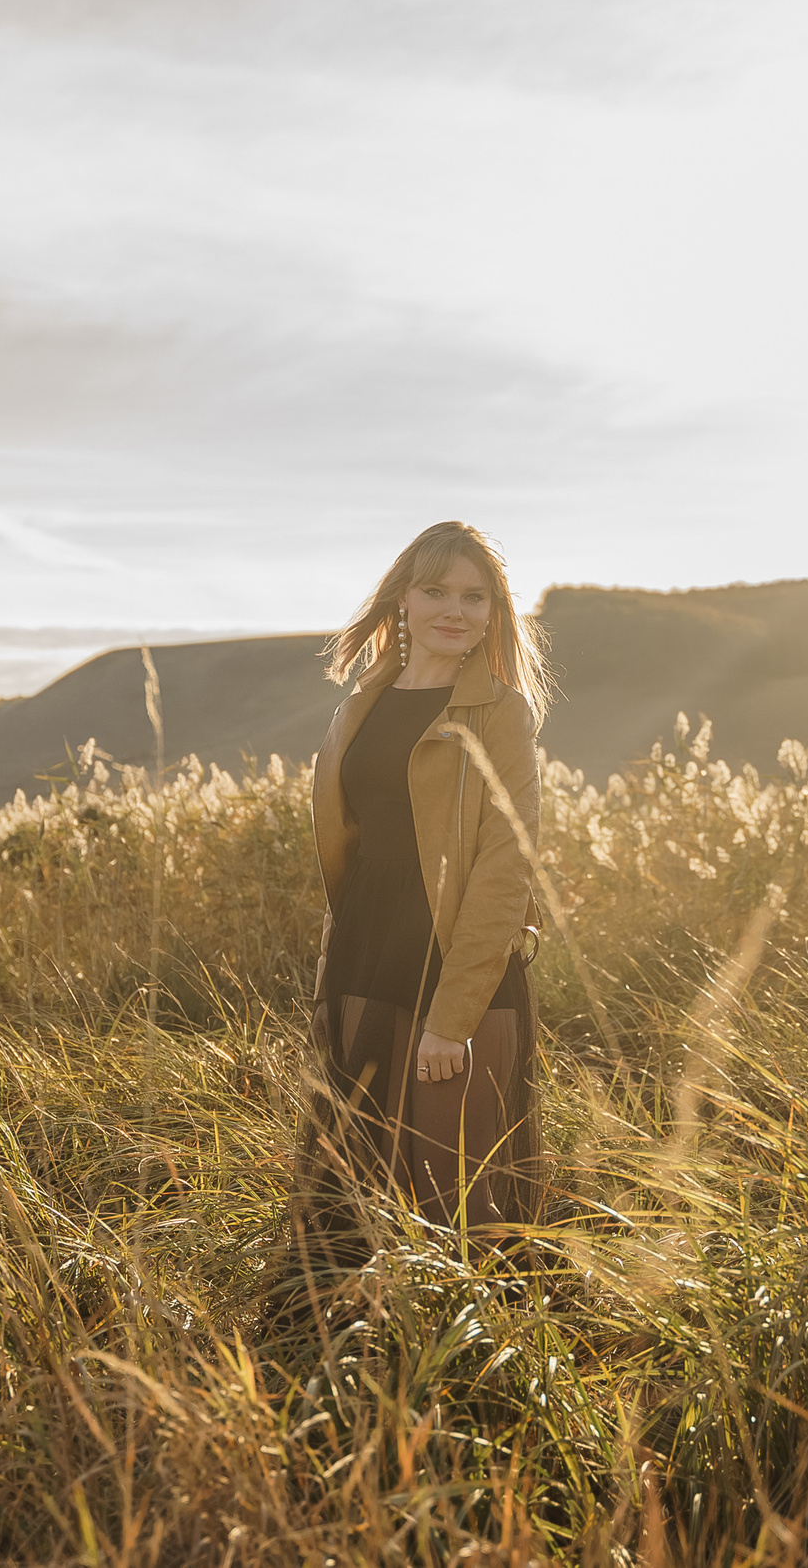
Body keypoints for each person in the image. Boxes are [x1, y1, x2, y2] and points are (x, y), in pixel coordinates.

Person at [291, 520, 553, 1260]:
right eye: (437, 590)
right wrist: (330, 975)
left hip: (458, 961)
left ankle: (485, 1332)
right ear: (402, 598)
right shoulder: (358, 707)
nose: (455, 610)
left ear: (493, 614)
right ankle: (356, 1327)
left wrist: (453, 1016)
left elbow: (506, 868)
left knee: (457, 1193)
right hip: (365, 953)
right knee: (354, 1181)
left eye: (475, 597)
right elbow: (351, 855)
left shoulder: (501, 713)